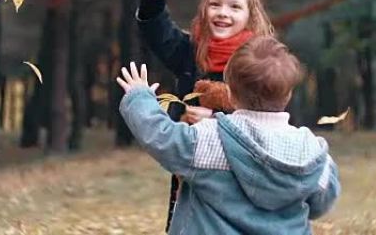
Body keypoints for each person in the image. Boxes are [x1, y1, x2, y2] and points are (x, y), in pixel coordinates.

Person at [116, 36, 341, 235]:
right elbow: (321, 203)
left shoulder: (209, 139)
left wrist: (139, 97)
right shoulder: (313, 154)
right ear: (288, 95)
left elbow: (161, 137)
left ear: (230, 93)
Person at [137, 0, 274, 228]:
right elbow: (158, 33)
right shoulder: (194, 51)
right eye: (215, 5)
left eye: (235, 7)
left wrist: (214, 123)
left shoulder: (261, 61)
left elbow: (269, 126)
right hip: (191, 178)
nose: (223, 13)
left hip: (239, 183)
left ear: (250, 16)